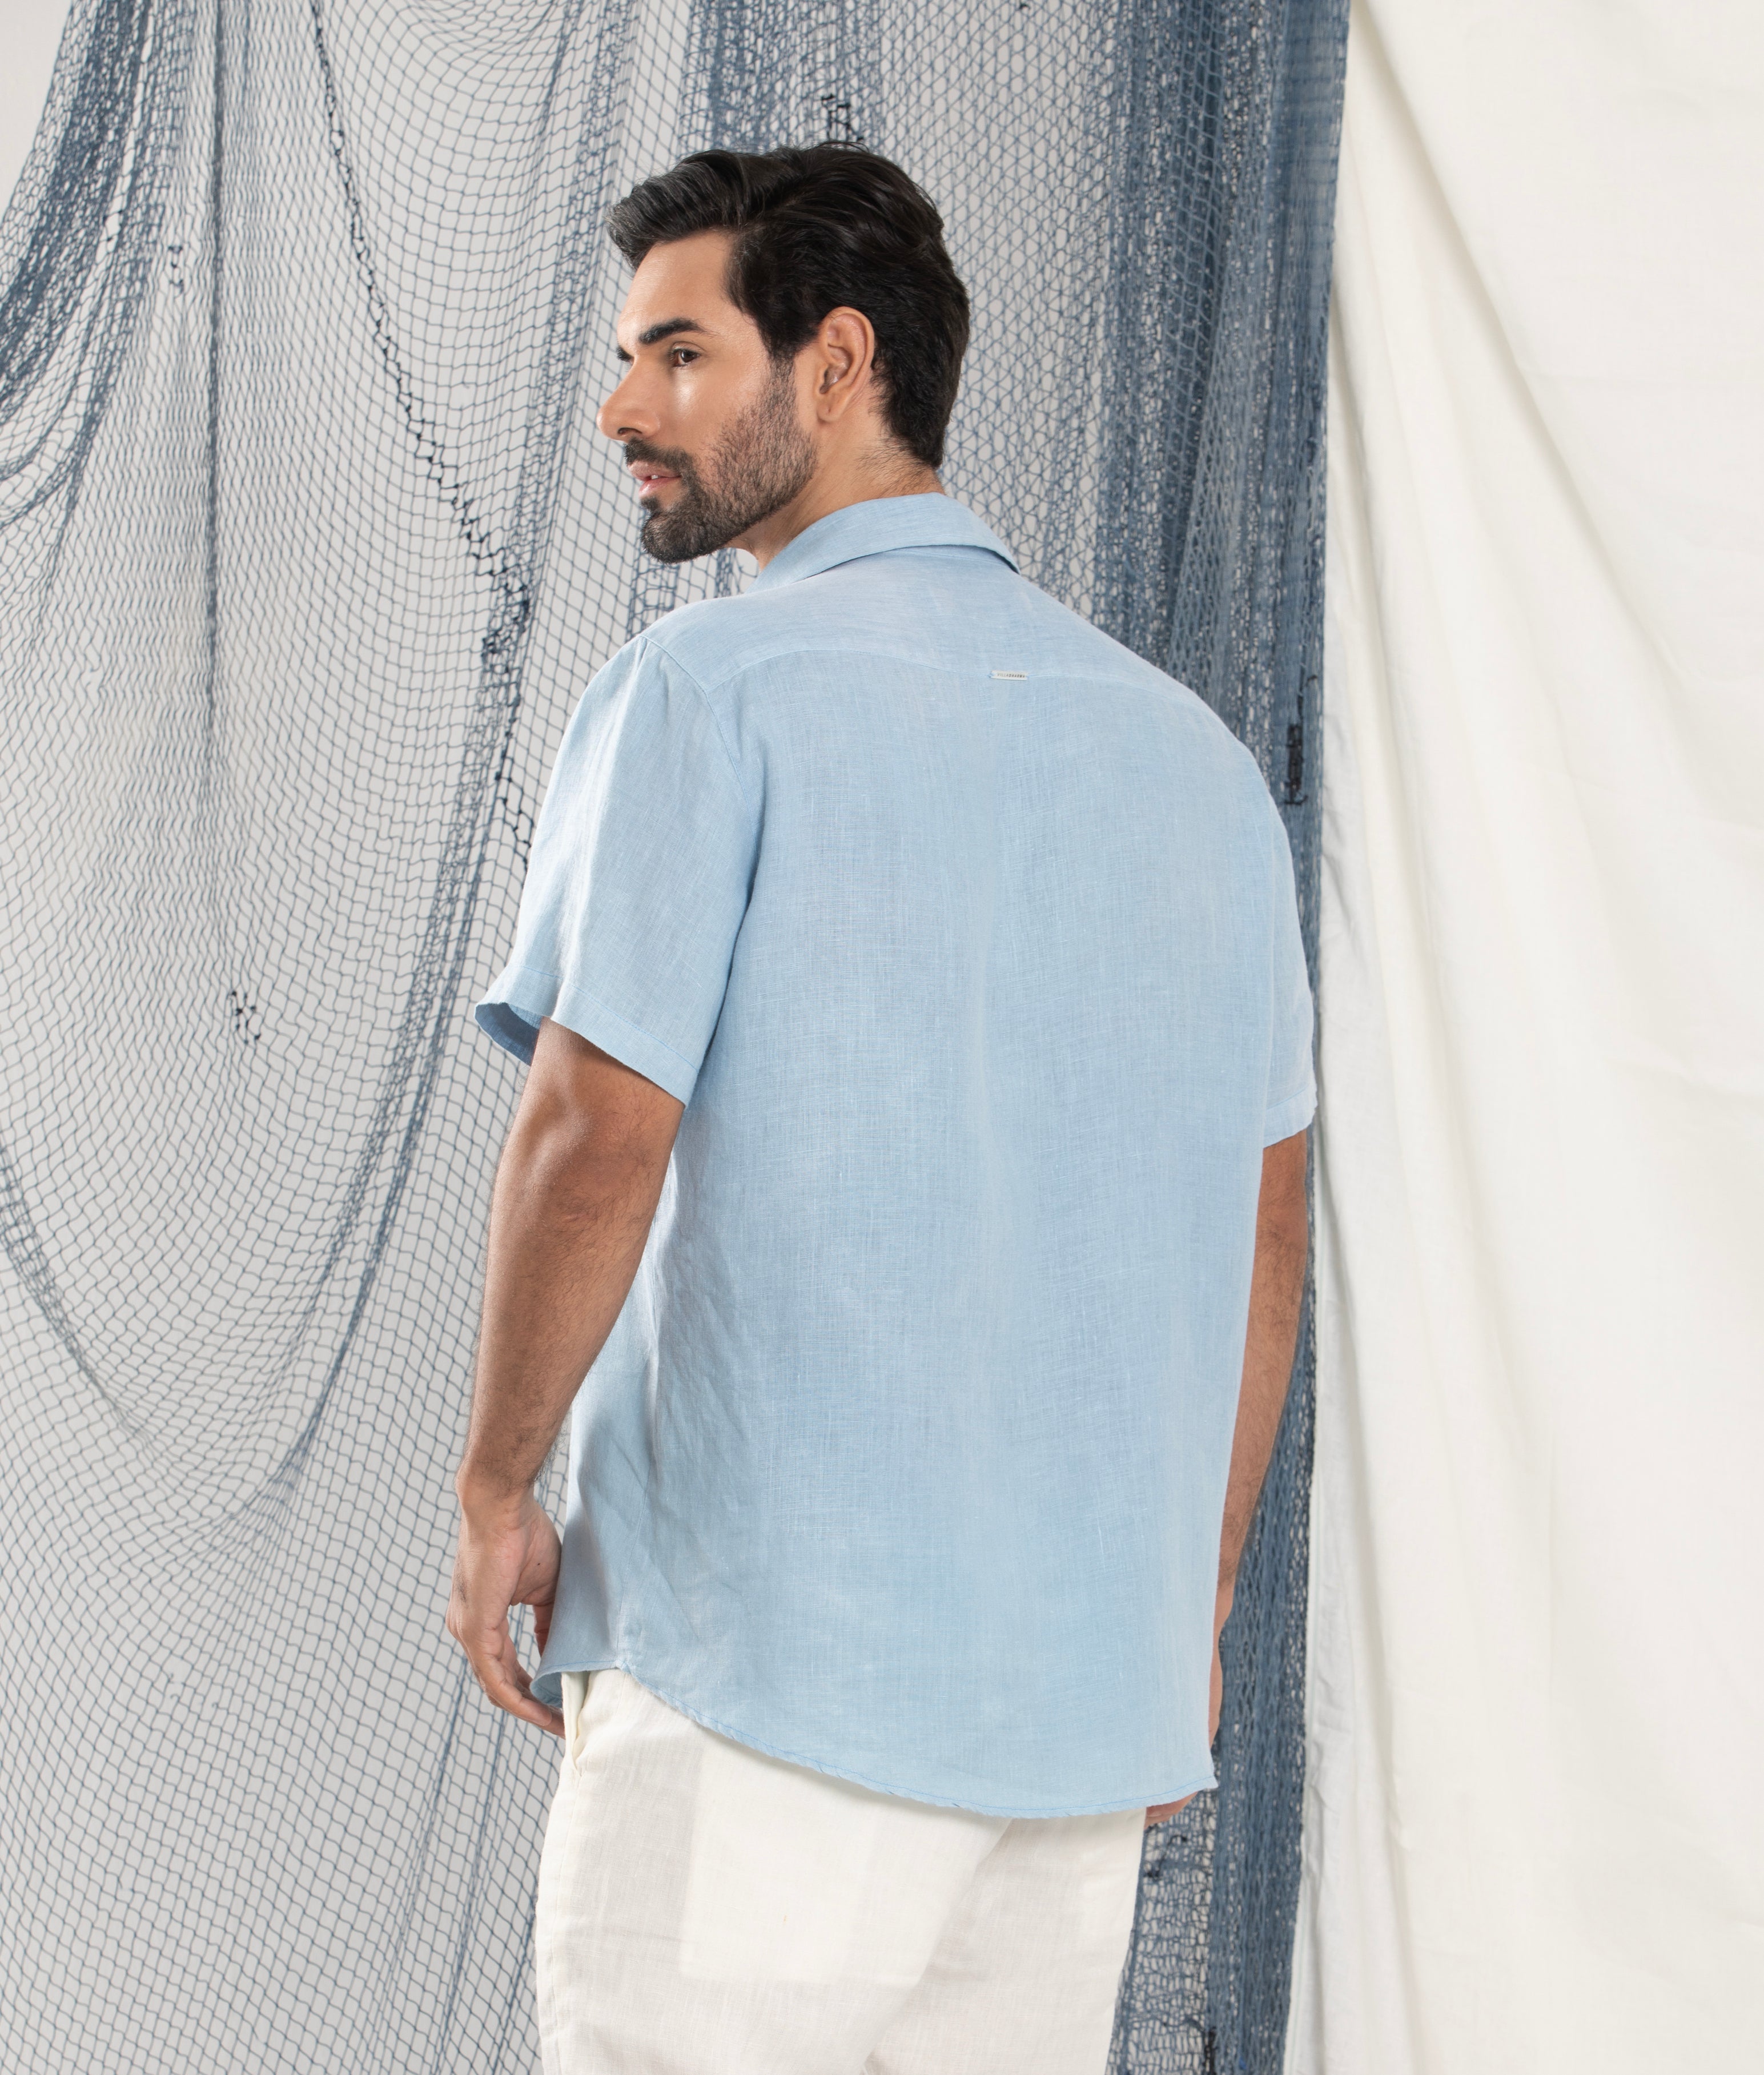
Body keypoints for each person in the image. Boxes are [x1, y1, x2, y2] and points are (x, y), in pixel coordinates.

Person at [448, 142, 1313, 2075]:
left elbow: (594, 1135)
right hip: (1072, 1722)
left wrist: (499, 1490)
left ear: (836, 363)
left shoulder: (706, 693)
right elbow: (1261, 1227)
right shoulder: (1193, 766)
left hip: (762, 1684)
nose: (622, 408)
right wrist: (1189, 1597)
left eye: (678, 353)